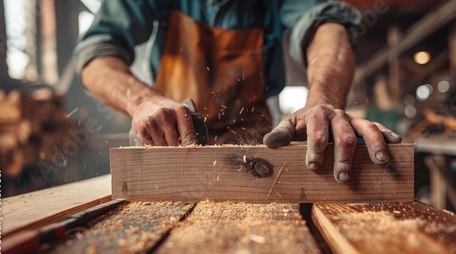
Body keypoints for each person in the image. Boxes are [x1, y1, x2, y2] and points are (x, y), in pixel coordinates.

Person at [74, 0, 402, 183]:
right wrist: (143, 101)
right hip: (171, 152)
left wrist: (324, 103)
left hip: (257, 155)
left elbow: (326, 26)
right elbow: (95, 54)